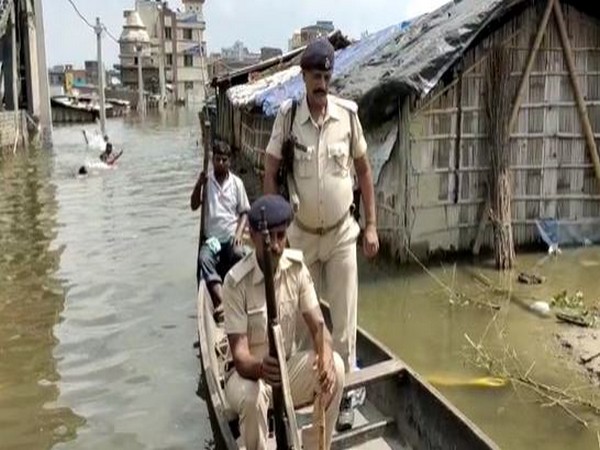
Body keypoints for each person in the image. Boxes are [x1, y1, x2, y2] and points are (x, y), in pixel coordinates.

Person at [263, 37, 380, 431]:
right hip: (300, 236)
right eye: (315, 76)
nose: (321, 83)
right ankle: (301, 395)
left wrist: (372, 226)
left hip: (343, 233)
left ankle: (343, 397)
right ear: (303, 76)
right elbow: (271, 168)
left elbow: (363, 171)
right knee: (297, 324)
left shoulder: (347, 116)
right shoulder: (287, 116)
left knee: (345, 324)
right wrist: (270, 227)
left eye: (326, 76)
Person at [223, 194, 345, 450]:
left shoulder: (296, 269)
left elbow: (319, 326)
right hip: (249, 377)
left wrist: (324, 353)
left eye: (281, 236)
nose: (276, 245)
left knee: (336, 367)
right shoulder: (236, 283)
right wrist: (261, 369)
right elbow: (240, 356)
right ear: (253, 237)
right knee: (252, 397)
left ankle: (315, 447)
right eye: (270, 238)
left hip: (285, 369)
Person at [191, 142, 250, 322]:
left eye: (224, 160)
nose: (221, 163)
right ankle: (221, 300)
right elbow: (194, 205)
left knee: (243, 255)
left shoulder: (236, 183)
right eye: (218, 160)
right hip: (213, 241)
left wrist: (239, 234)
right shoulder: (207, 181)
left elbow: (245, 212)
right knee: (204, 259)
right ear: (213, 160)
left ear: (229, 161)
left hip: (231, 237)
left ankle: (242, 298)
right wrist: (198, 185)